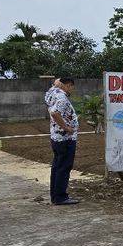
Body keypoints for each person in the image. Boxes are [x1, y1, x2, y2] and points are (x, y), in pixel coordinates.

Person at [45, 77, 80, 205]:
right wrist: (66, 127)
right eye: (71, 87)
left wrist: (56, 83)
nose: (72, 90)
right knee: (64, 167)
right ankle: (60, 197)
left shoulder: (52, 93)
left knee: (57, 166)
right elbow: (55, 113)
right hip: (65, 138)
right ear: (68, 85)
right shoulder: (62, 98)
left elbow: (51, 88)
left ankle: (55, 195)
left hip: (56, 137)